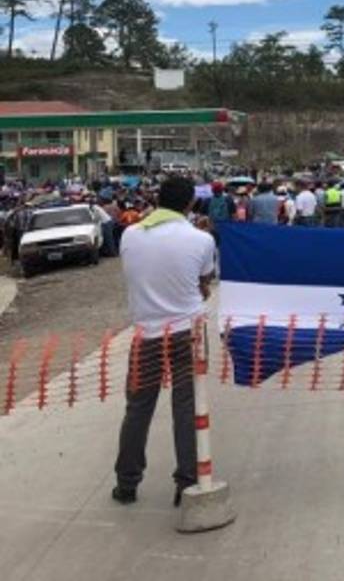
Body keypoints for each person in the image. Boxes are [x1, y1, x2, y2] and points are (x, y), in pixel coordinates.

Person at [112, 176, 216, 506]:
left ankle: (127, 483)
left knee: (138, 408)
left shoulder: (130, 235)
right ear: (190, 204)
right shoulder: (201, 240)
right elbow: (203, 280)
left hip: (146, 335)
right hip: (188, 333)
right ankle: (185, 482)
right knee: (187, 406)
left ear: (158, 199)